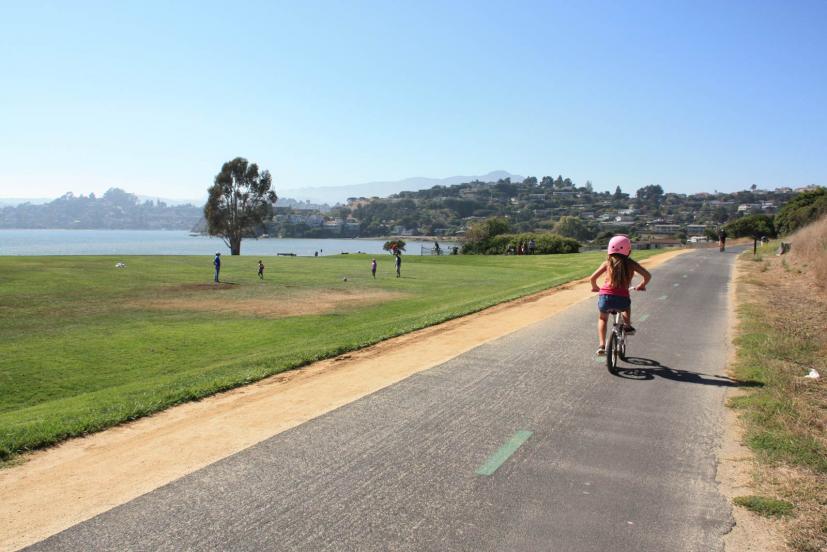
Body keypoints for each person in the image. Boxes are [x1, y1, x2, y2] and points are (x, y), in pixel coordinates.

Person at [589, 235, 651, 356]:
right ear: (629, 250)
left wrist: (595, 287)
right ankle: (627, 325)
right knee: (626, 307)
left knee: (603, 318)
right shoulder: (631, 263)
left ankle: (602, 345)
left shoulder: (607, 263)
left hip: (605, 297)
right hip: (622, 297)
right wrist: (642, 285)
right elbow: (647, 275)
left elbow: (592, 278)